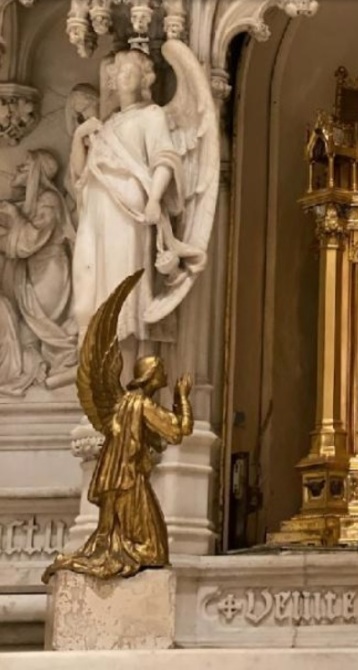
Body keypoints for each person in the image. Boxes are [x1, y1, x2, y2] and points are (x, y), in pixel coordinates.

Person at [69, 49, 184, 357]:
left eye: (131, 71)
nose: (123, 76)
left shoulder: (151, 115)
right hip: (95, 207)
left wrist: (155, 199)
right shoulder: (107, 124)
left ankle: (123, 371)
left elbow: (164, 158)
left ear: (144, 79)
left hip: (127, 211)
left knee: (120, 286)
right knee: (87, 277)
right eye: (119, 71)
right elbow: (80, 174)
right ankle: (92, 363)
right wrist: (79, 136)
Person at [43, 355, 193, 581]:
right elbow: (178, 431)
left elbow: (158, 440)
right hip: (128, 482)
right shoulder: (141, 405)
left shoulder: (125, 403)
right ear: (151, 376)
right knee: (152, 550)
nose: (165, 374)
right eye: (161, 370)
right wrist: (181, 397)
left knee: (147, 546)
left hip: (118, 479)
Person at [0, 150, 77, 393]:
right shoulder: (33, 203)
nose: (18, 169)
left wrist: (13, 216)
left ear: (36, 173)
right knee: (25, 333)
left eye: (24, 167)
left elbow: (28, 241)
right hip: (33, 273)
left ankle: (60, 361)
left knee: (40, 327)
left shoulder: (48, 200)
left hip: (48, 272)